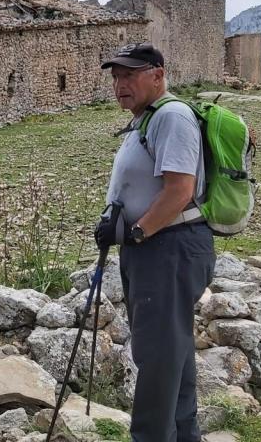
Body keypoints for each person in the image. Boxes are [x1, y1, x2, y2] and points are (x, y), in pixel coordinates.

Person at [94, 43, 216, 442]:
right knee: (171, 354)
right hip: (158, 247)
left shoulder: (173, 117)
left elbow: (180, 189)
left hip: (169, 247)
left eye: (130, 75)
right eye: (115, 77)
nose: (120, 85)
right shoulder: (146, 120)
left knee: (158, 356)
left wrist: (138, 232)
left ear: (158, 75)